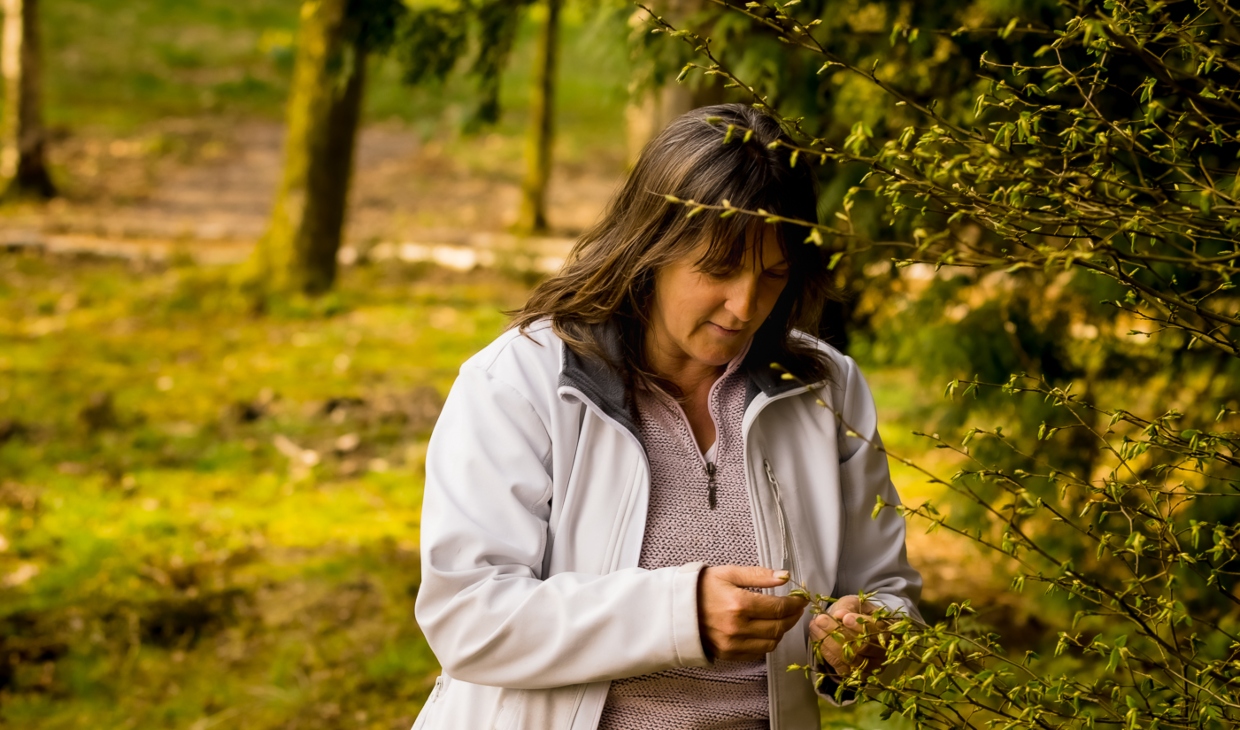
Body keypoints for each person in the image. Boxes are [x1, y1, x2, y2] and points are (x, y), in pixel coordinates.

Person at [412, 104, 922, 730]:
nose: (745, 305)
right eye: (719, 269)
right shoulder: (521, 382)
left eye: (773, 275)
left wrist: (874, 642)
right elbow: (467, 618)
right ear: (650, 249)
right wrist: (680, 615)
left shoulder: (824, 388)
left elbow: (888, 592)